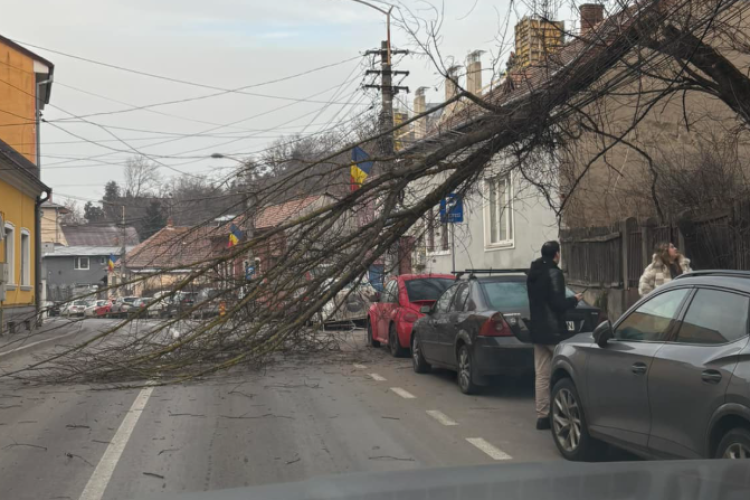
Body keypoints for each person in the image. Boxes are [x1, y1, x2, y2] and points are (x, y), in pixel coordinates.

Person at [527, 240, 582, 430]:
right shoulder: (554, 273)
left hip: (537, 331)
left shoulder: (532, 273)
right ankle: (565, 412)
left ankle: (542, 416)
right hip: (553, 331)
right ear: (556, 255)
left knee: (541, 375)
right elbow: (557, 304)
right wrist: (574, 300)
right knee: (567, 370)